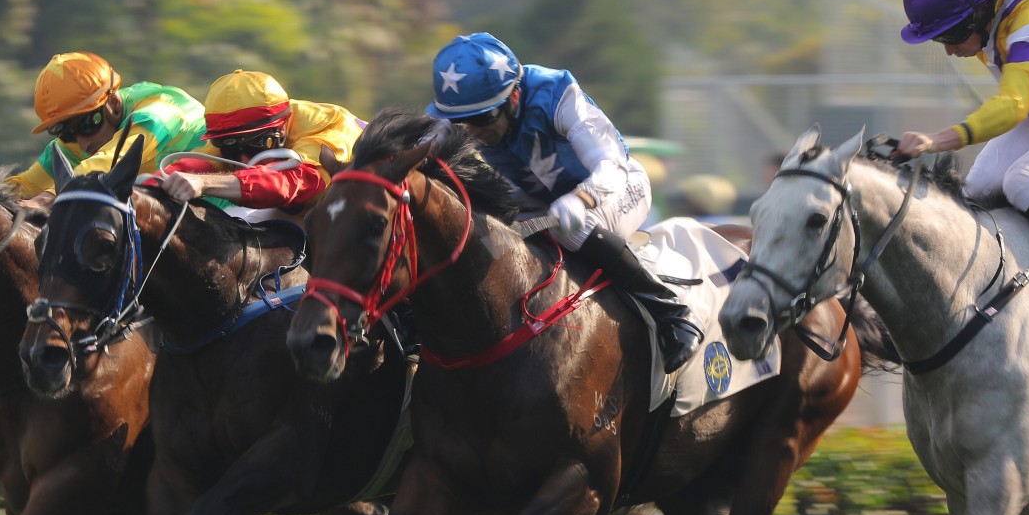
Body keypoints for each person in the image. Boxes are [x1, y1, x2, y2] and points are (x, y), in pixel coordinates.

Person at [425, 32, 702, 373]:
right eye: (459, 121)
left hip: (615, 188)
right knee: (483, 242)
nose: (469, 131)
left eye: (481, 118)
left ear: (513, 96)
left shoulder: (556, 94)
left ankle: (671, 313)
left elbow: (610, 163)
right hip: (542, 204)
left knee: (572, 229)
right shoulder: (463, 117)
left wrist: (582, 198)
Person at [894, 0, 1029, 274]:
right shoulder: (992, 15)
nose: (949, 50)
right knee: (976, 191)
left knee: (1025, 181)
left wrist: (935, 140)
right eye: (938, 38)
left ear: (979, 13)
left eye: (950, 35)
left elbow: (1014, 104)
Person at [7, 52, 207, 206]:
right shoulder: (79, 140)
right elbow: (26, 186)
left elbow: (107, 161)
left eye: (86, 125)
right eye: (67, 133)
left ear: (113, 102)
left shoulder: (157, 113)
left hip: (223, 213)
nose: (82, 144)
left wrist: (46, 199)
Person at [156, 69, 365, 214]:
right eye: (231, 148)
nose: (245, 159)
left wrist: (205, 183)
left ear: (281, 127)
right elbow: (189, 167)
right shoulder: (239, 135)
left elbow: (292, 183)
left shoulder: (327, 126)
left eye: (253, 145)